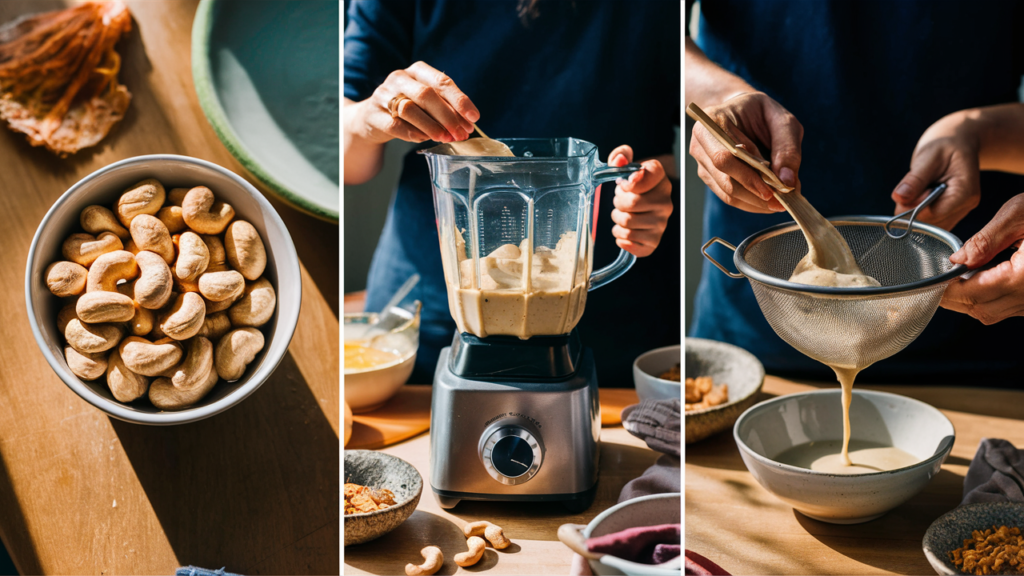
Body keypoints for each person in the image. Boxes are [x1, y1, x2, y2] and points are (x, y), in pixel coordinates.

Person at [686, 0, 1024, 384]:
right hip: (752, 354)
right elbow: (658, 34)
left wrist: (980, 133)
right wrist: (719, 95)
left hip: (986, 343)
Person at [345, 0, 680, 384]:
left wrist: (645, 190)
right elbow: (345, 158)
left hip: (620, 324)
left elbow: (671, 147)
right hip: (434, 311)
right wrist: (366, 118)